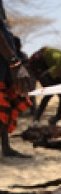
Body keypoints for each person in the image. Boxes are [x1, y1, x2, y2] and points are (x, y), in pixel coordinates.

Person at [0, 8, 31, 158]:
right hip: (5, 61)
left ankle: (6, 148)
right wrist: (14, 62)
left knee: (4, 105)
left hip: (4, 62)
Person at [27, 47, 61, 125]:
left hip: (50, 66)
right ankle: (37, 119)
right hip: (41, 65)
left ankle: (56, 117)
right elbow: (47, 76)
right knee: (50, 93)